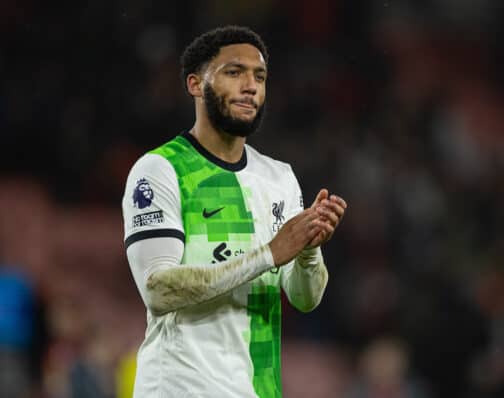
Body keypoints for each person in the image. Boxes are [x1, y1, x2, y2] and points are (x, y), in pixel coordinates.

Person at [121, 25, 347, 398]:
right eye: (233, 72)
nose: (250, 85)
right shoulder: (160, 169)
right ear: (195, 84)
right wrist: (271, 253)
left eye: (259, 76)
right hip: (182, 388)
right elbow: (158, 290)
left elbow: (305, 299)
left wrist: (308, 249)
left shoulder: (279, 178)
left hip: (258, 389)